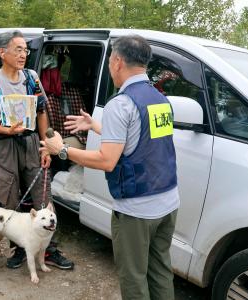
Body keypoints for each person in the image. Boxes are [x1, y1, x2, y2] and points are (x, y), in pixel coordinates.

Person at [41, 35, 179, 300]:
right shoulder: (160, 99)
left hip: (137, 210)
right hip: (168, 202)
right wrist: (96, 126)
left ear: (117, 62)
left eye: (109, 62)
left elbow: (107, 160)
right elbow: (141, 139)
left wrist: (63, 150)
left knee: (134, 276)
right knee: (160, 270)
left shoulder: (121, 103)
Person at [0, 30, 74, 270]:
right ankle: (20, 247)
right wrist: (7, 131)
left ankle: (48, 250)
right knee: (8, 198)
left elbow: (42, 113)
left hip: (32, 142)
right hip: (4, 145)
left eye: (25, 50)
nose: (23, 55)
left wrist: (45, 147)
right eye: (18, 49)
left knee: (43, 197)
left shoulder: (31, 77)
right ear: (2, 53)